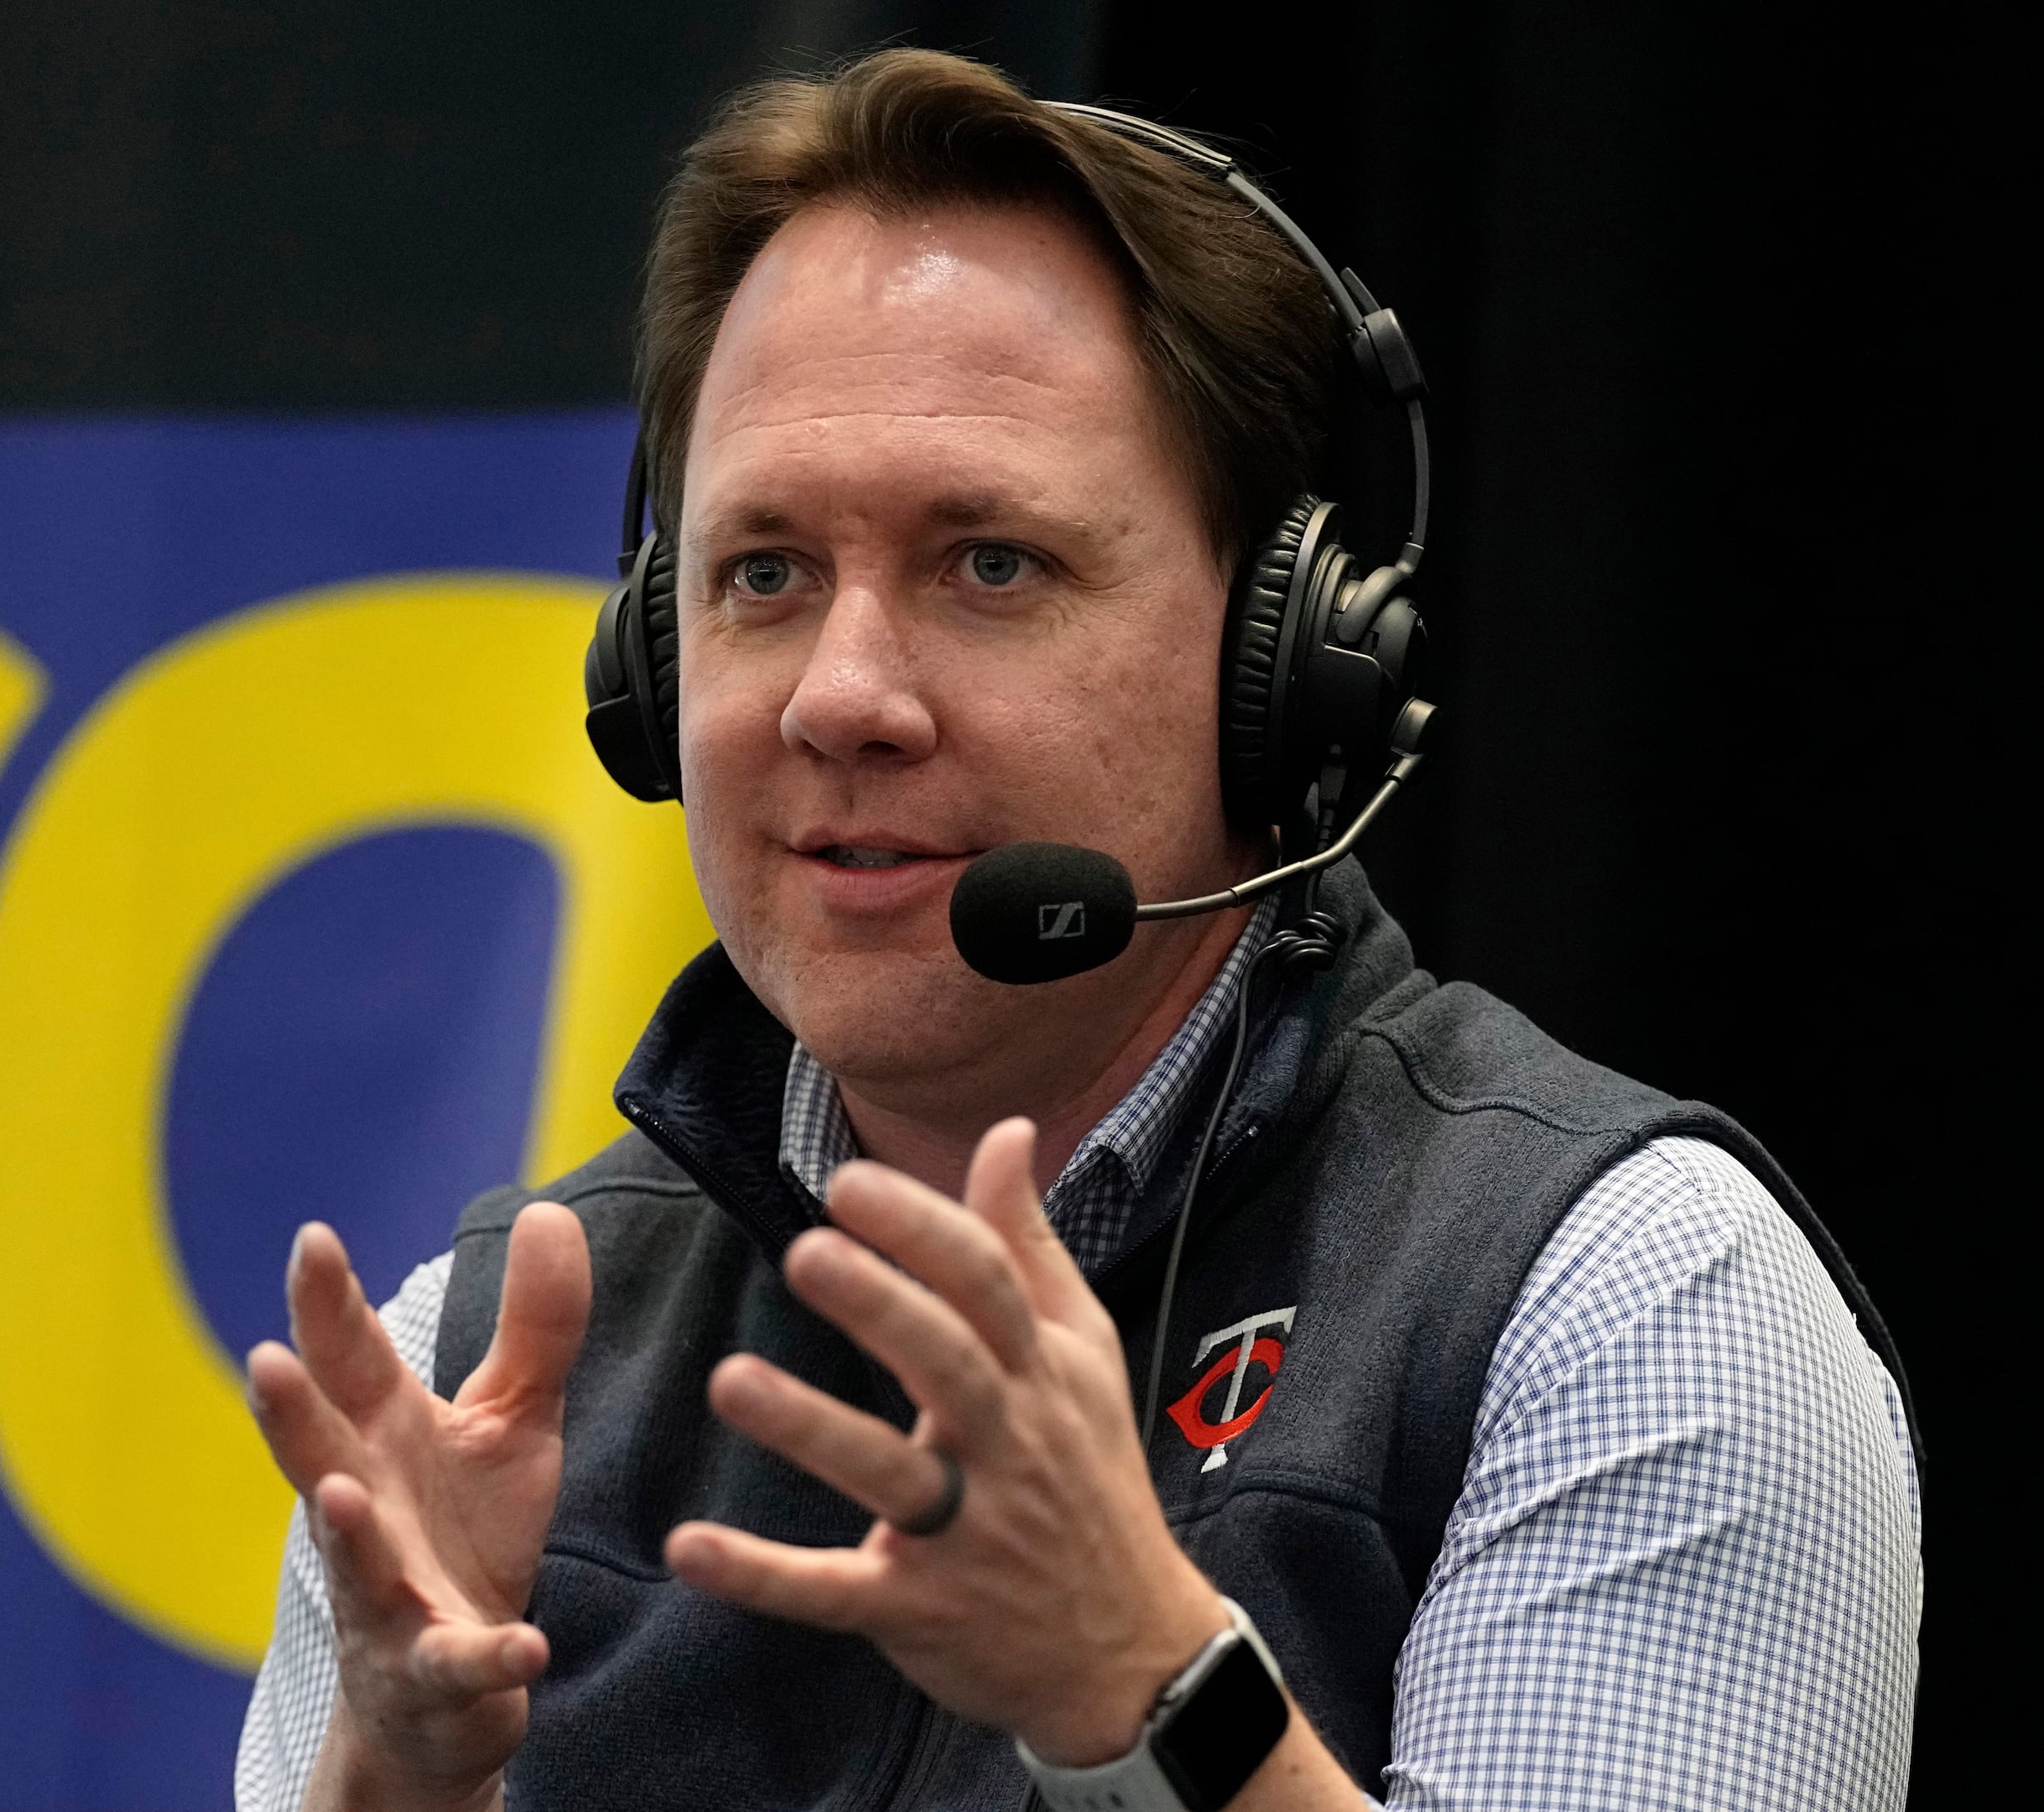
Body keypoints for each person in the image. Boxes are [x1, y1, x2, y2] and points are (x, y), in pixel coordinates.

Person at [235, 47, 1919, 1812]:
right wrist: (395, 1783)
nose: (843, 696)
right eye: (763, 574)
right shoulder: (484, 1368)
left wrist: (1155, 1700)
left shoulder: (1620, 1304)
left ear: (1287, 667)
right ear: (651, 667)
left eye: (990, 565)